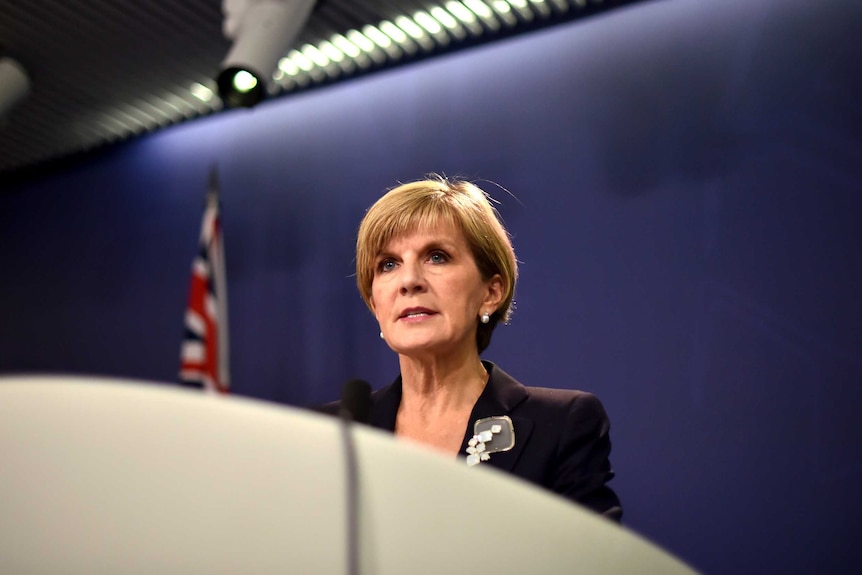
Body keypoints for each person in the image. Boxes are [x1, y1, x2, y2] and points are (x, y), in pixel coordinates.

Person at [335, 175, 621, 521]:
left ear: (491, 293)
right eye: (388, 264)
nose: (409, 280)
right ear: (375, 303)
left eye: (437, 257)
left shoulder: (560, 426)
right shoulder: (328, 434)